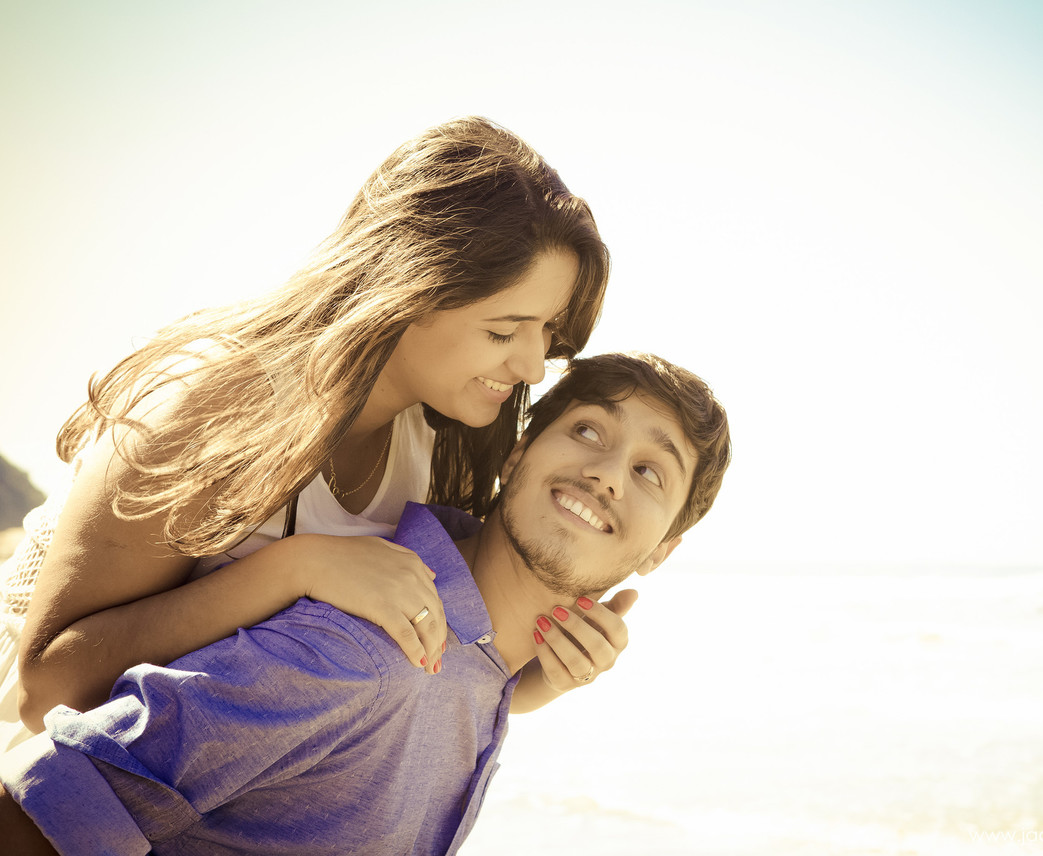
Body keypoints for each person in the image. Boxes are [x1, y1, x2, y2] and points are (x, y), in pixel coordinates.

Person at [0, 116, 619, 752]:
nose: (532, 367)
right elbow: (46, 689)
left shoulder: (445, 442)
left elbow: (393, 681)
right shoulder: (217, 404)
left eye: (548, 330)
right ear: (408, 289)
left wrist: (543, 676)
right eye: (503, 331)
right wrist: (298, 568)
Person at [0, 352, 733, 855]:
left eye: (649, 471)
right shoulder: (367, 652)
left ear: (662, 549)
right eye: (587, 430)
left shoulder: (480, 665)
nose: (607, 473)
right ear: (515, 456)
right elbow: (36, 802)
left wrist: (531, 684)